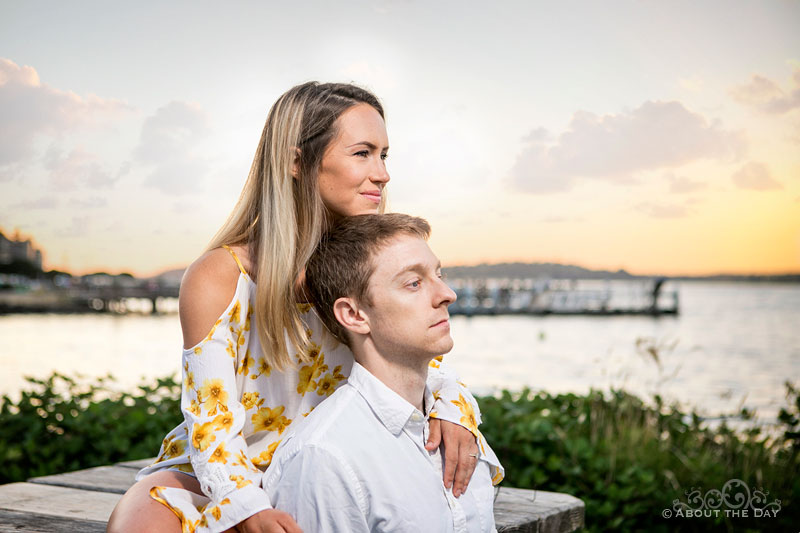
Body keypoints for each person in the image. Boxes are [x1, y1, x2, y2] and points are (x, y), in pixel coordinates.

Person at [107, 82, 502, 533]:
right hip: (221, 478)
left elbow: (410, 368)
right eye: (363, 153)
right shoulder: (220, 277)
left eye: (384, 155)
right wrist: (246, 506)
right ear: (297, 162)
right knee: (140, 522)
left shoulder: (365, 267)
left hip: (329, 466)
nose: (382, 174)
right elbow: (211, 425)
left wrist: (454, 405)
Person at [263, 213, 501, 532]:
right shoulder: (326, 458)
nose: (447, 294)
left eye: (438, 274)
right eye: (413, 283)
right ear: (354, 315)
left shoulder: (457, 425)